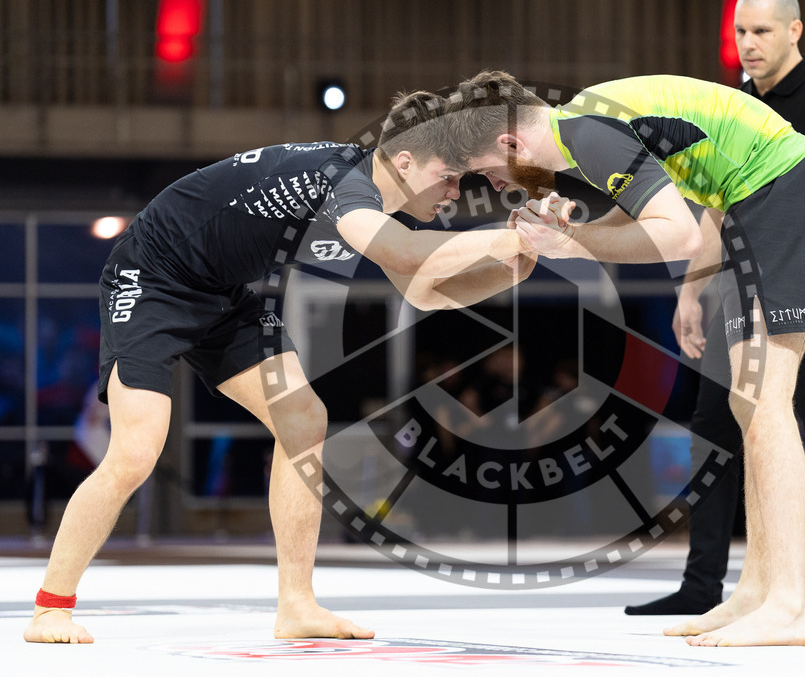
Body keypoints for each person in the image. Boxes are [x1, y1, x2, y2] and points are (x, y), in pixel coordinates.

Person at [23, 91, 543, 644]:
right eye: (449, 176)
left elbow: (425, 292)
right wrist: (511, 234)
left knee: (302, 419)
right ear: (406, 162)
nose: (455, 192)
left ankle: (296, 606)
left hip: (220, 292)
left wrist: (519, 265)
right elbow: (414, 256)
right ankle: (50, 608)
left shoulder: (369, 197)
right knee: (136, 450)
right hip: (151, 278)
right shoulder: (350, 185)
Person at [441, 68, 805, 647]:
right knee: (748, 404)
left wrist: (571, 245)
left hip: (781, 190)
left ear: (510, 143)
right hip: (761, 198)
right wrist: (576, 236)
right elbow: (640, 217)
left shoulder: (587, 130)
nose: (502, 185)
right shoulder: (585, 124)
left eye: (488, 171)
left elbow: (674, 236)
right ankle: (759, 592)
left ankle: (789, 605)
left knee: (765, 403)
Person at [624, 0, 805, 621]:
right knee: (715, 430)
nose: (749, 42)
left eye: (761, 30)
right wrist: (690, 292)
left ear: (794, 30)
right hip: (736, 290)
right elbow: (714, 206)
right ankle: (703, 584)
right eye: (741, 31)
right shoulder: (739, 104)